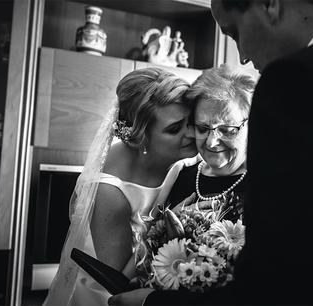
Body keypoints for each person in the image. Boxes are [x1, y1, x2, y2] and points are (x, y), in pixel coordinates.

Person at [109, 0, 313, 305]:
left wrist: (152, 304)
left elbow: (276, 287)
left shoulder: (299, 78)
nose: (242, 55)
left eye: (234, 31)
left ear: (270, 4)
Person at [43, 67, 199, 306]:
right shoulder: (109, 191)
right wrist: (169, 223)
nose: (191, 133)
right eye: (174, 129)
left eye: (191, 121)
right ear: (141, 137)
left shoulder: (187, 158)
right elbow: (117, 282)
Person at [166, 64, 255, 223]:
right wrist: (169, 225)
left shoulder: (269, 183)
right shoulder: (181, 177)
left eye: (227, 130)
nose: (211, 142)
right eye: (202, 128)